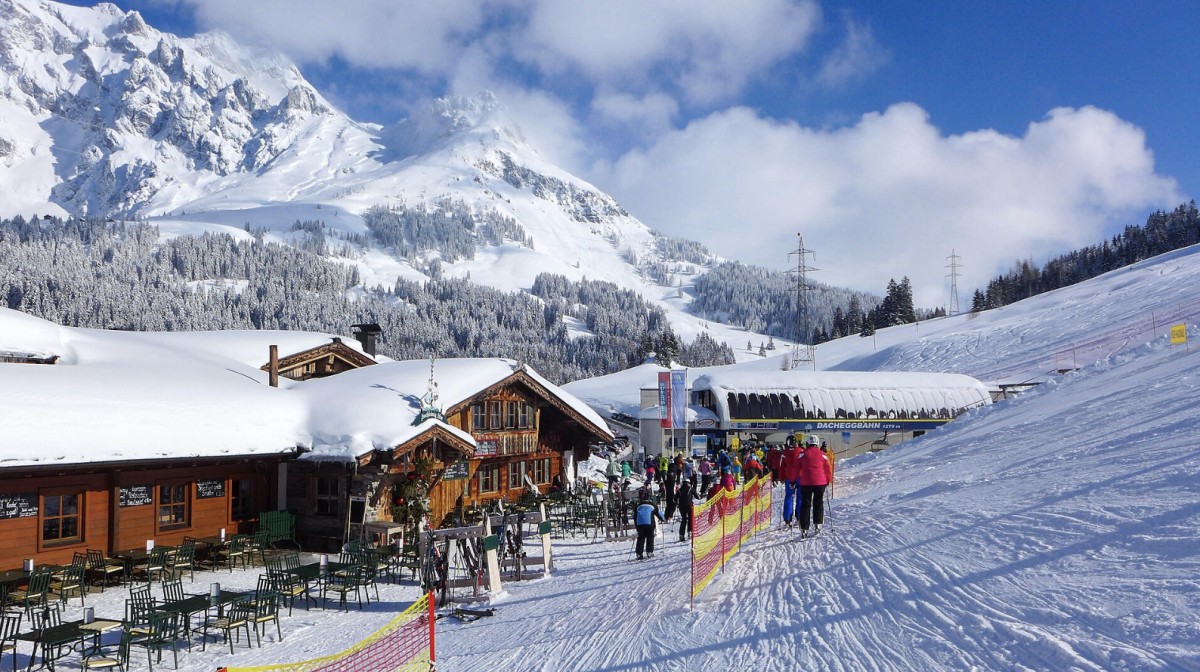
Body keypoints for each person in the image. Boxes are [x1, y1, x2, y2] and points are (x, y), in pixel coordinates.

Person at [797, 434, 834, 537]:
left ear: (808, 443)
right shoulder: (823, 454)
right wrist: (828, 480)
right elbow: (828, 468)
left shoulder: (802, 454)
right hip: (820, 482)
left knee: (805, 504)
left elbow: (796, 468)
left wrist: (792, 481)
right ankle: (818, 524)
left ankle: (804, 528)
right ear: (817, 443)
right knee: (818, 503)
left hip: (805, 482)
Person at [780, 435, 803, 528]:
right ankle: (800, 516)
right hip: (800, 477)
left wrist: (781, 478)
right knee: (800, 497)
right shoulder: (801, 451)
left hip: (789, 477)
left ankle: (787, 518)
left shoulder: (785, 453)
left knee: (789, 497)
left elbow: (781, 466)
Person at [634, 493, 666, 560]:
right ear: (649, 498)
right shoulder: (652, 505)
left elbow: (634, 516)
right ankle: (649, 552)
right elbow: (658, 513)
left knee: (641, 538)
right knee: (650, 537)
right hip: (649, 523)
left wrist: (636, 525)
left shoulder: (638, 506)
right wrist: (663, 519)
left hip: (639, 524)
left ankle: (639, 554)